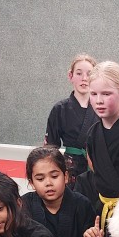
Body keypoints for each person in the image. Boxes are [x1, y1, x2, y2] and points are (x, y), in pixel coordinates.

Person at [77, 61, 119, 225]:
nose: (99, 101)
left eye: (106, 94)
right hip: (104, 209)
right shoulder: (93, 133)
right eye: (93, 94)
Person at [21, 145, 95, 237]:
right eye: (40, 179)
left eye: (54, 176)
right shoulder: (24, 206)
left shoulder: (82, 205)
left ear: (66, 177)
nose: (48, 183)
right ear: (31, 183)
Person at [45, 54, 98, 189]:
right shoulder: (60, 109)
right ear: (70, 76)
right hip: (70, 168)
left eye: (89, 74)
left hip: (97, 166)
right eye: (79, 73)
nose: (84, 78)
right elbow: (51, 147)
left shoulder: (101, 107)